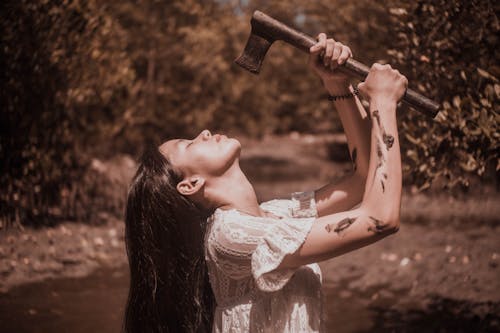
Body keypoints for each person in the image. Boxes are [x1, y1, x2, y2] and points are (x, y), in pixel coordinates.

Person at [123, 32, 408, 333]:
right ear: (190, 184)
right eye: (189, 143)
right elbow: (380, 218)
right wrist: (382, 105)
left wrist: (338, 86)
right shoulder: (230, 236)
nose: (204, 132)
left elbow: (364, 179)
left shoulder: (273, 215)